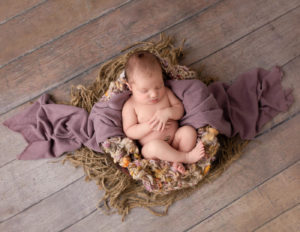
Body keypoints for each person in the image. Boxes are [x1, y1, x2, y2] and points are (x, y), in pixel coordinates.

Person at [121, 51, 206, 174]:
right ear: (130, 87)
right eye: (144, 91)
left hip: (175, 141)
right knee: (155, 146)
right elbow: (129, 131)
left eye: (159, 85)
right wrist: (149, 126)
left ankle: (176, 161)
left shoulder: (166, 93)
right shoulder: (131, 106)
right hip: (153, 152)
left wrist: (168, 113)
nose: (154, 94)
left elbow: (179, 110)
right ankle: (186, 158)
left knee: (188, 132)